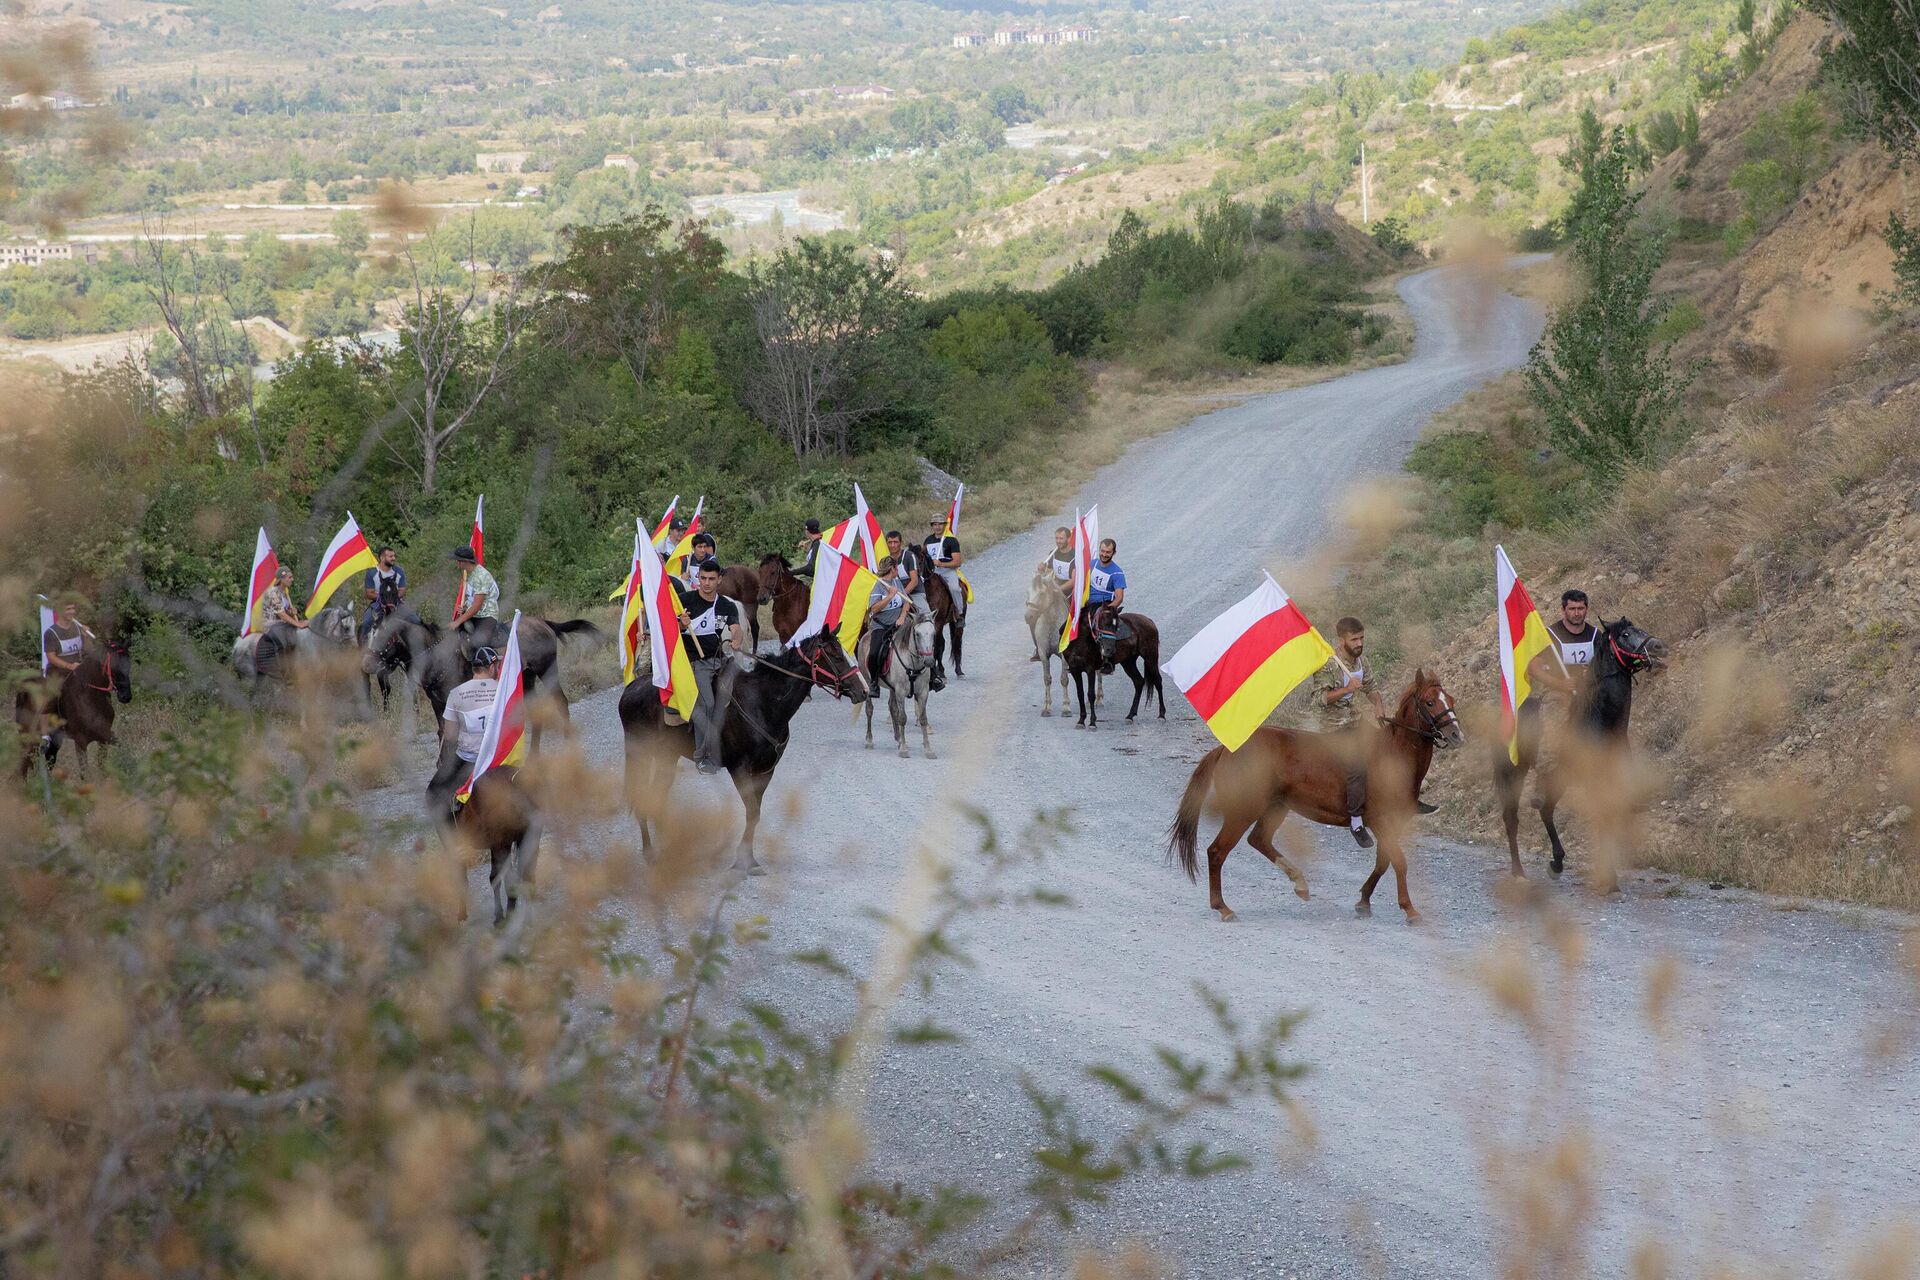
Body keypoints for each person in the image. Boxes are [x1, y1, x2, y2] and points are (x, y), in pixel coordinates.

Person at [678, 557, 747, 775]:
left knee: (745, 689)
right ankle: (702, 756)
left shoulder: (726, 605)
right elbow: (665, 625)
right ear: (698, 578)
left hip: (718, 658)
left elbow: (736, 628)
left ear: (719, 580)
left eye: (712, 579)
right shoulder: (684, 600)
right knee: (707, 703)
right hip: (693, 661)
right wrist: (680, 623)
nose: (707, 583)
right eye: (703, 578)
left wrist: (736, 638)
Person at [428, 644, 503, 819]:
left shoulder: (456, 693)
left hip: (468, 760)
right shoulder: (503, 691)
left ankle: (452, 841)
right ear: (492, 667)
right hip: (498, 757)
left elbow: (451, 735)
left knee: (432, 795)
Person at [862, 554, 914, 687]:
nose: (898, 570)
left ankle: (932, 676)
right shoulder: (878, 585)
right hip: (882, 626)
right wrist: (890, 595)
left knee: (922, 639)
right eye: (896, 568)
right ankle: (874, 682)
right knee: (874, 653)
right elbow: (874, 608)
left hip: (899, 623)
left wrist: (902, 617)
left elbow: (907, 602)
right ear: (892, 569)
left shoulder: (897, 583)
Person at [1086, 538, 1128, 666]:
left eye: (1108, 552)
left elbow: (1119, 597)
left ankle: (1107, 661)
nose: (1104, 554)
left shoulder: (1117, 572)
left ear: (1113, 553)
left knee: (1106, 629)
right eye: (1102, 551)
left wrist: (1108, 609)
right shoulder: (1092, 564)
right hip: (1087, 602)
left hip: (1105, 605)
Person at [359, 545, 411, 642]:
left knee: (415, 620)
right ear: (382, 558)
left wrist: (392, 599)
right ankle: (364, 649)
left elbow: (402, 590)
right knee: (367, 623)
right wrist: (384, 599)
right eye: (390, 556)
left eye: (394, 556)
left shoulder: (399, 571)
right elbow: (369, 593)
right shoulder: (372, 572)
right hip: (378, 603)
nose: (394, 558)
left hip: (397, 602)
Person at [449, 545, 500, 638]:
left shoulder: (481, 576)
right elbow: (472, 598)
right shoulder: (471, 575)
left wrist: (458, 622)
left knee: (478, 642)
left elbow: (477, 605)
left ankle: (490, 652)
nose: (457, 562)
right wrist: (465, 607)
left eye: (458, 560)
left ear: (465, 561)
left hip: (487, 616)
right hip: (474, 615)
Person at [924, 515, 965, 618]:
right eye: (935, 524)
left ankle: (959, 612)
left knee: (955, 588)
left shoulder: (951, 541)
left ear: (945, 525)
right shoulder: (928, 540)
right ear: (932, 526)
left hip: (947, 571)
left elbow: (957, 562)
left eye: (940, 524)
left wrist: (941, 564)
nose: (937, 527)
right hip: (932, 572)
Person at [41, 597, 89, 675]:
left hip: (77, 672)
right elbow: (51, 657)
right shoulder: (50, 633)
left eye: (73, 608)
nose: (72, 611)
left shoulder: (78, 628)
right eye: (68, 609)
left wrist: (86, 637)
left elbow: (87, 650)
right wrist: (69, 666)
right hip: (58, 674)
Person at [261, 565, 307, 630]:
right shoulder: (273, 592)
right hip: (270, 627)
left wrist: (291, 613)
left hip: (281, 624)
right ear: (282, 579)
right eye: (290, 577)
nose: (292, 579)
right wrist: (298, 624)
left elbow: (284, 612)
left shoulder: (284, 593)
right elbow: (281, 614)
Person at [884, 530, 923, 601]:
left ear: (901, 543)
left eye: (895, 542)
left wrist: (901, 596)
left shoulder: (909, 556)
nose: (892, 545)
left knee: (924, 611)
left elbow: (914, 581)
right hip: (894, 594)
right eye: (890, 542)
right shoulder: (885, 559)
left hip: (915, 593)